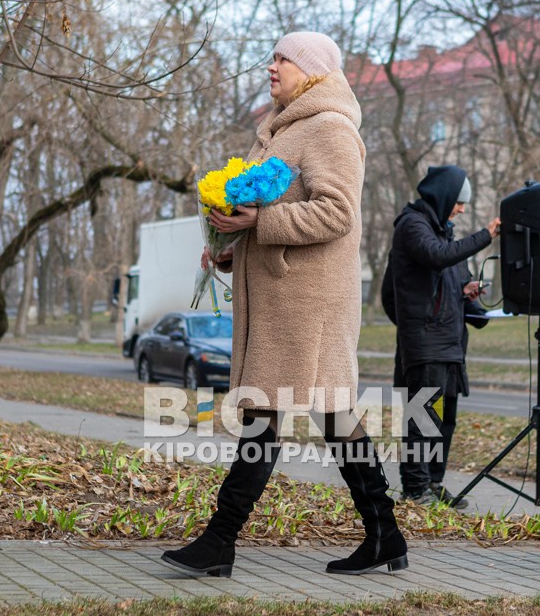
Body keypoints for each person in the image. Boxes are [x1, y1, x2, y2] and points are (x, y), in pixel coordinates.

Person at [161, 31, 408, 578]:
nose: (271, 67)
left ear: (313, 70)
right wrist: (229, 247)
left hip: (307, 306)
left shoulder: (330, 128)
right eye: (271, 57)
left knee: (268, 417)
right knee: (327, 418)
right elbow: (265, 213)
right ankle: (384, 534)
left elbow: (337, 212)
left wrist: (260, 222)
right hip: (279, 301)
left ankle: (220, 541)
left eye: (283, 59)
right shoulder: (281, 131)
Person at [382, 166, 499, 506]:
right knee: (423, 418)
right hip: (424, 342)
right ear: (444, 196)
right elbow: (434, 258)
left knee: (445, 420)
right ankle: (416, 489)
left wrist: (468, 293)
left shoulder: (444, 234)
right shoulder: (412, 226)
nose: (461, 209)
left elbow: (448, 279)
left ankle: (434, 482)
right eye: (459, 203)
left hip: (449, 343)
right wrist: (485, 236)